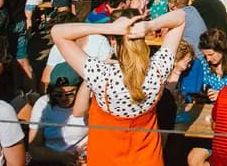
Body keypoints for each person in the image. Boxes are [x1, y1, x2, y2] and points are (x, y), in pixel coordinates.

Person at [51, 8, 186, 166]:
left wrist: (108, 28)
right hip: (147, 158)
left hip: (106, 157)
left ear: (114, 42)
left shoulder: (102, 75)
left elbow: (57, 32)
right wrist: (150, 25)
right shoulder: (157, 70)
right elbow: (181, 17)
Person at [28, 62, 88, 165]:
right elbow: (34, 148)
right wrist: (60, 157)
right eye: (58, 94)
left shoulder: (89, 103)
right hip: (51, 157)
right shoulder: (43, 104)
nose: (64, 98)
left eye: (70, 94)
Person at [181, 28, 227, 102]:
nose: (208, 59)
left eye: (211, 54)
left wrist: (222, 95)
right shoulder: (203, 63)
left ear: (221, 49)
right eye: (205, 55)